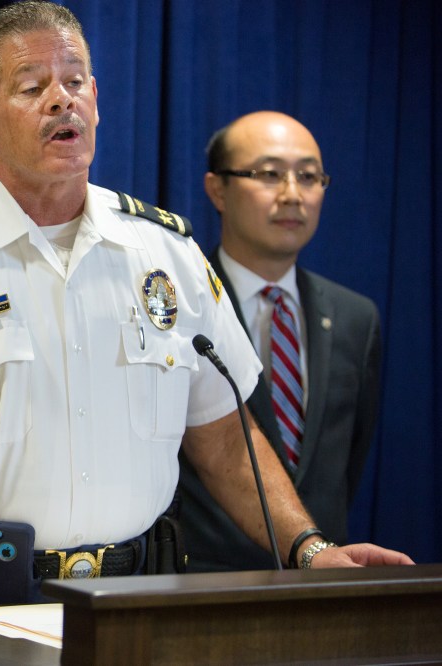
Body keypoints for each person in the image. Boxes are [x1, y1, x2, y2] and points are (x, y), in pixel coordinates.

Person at [0, 4, 413, 662]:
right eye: (34, 87)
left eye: (77, 81)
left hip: (137, 614)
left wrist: (309, 548)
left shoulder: (166, 254)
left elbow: (228, 442)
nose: (62, 100)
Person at [178, 111, 384, 571]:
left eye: (309, 177)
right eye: (269, 174)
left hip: (321, 586)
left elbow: (345, 468)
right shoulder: (179, 309)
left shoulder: (355, 318)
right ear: (218, 190)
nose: (293, 195)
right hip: (203, 588)